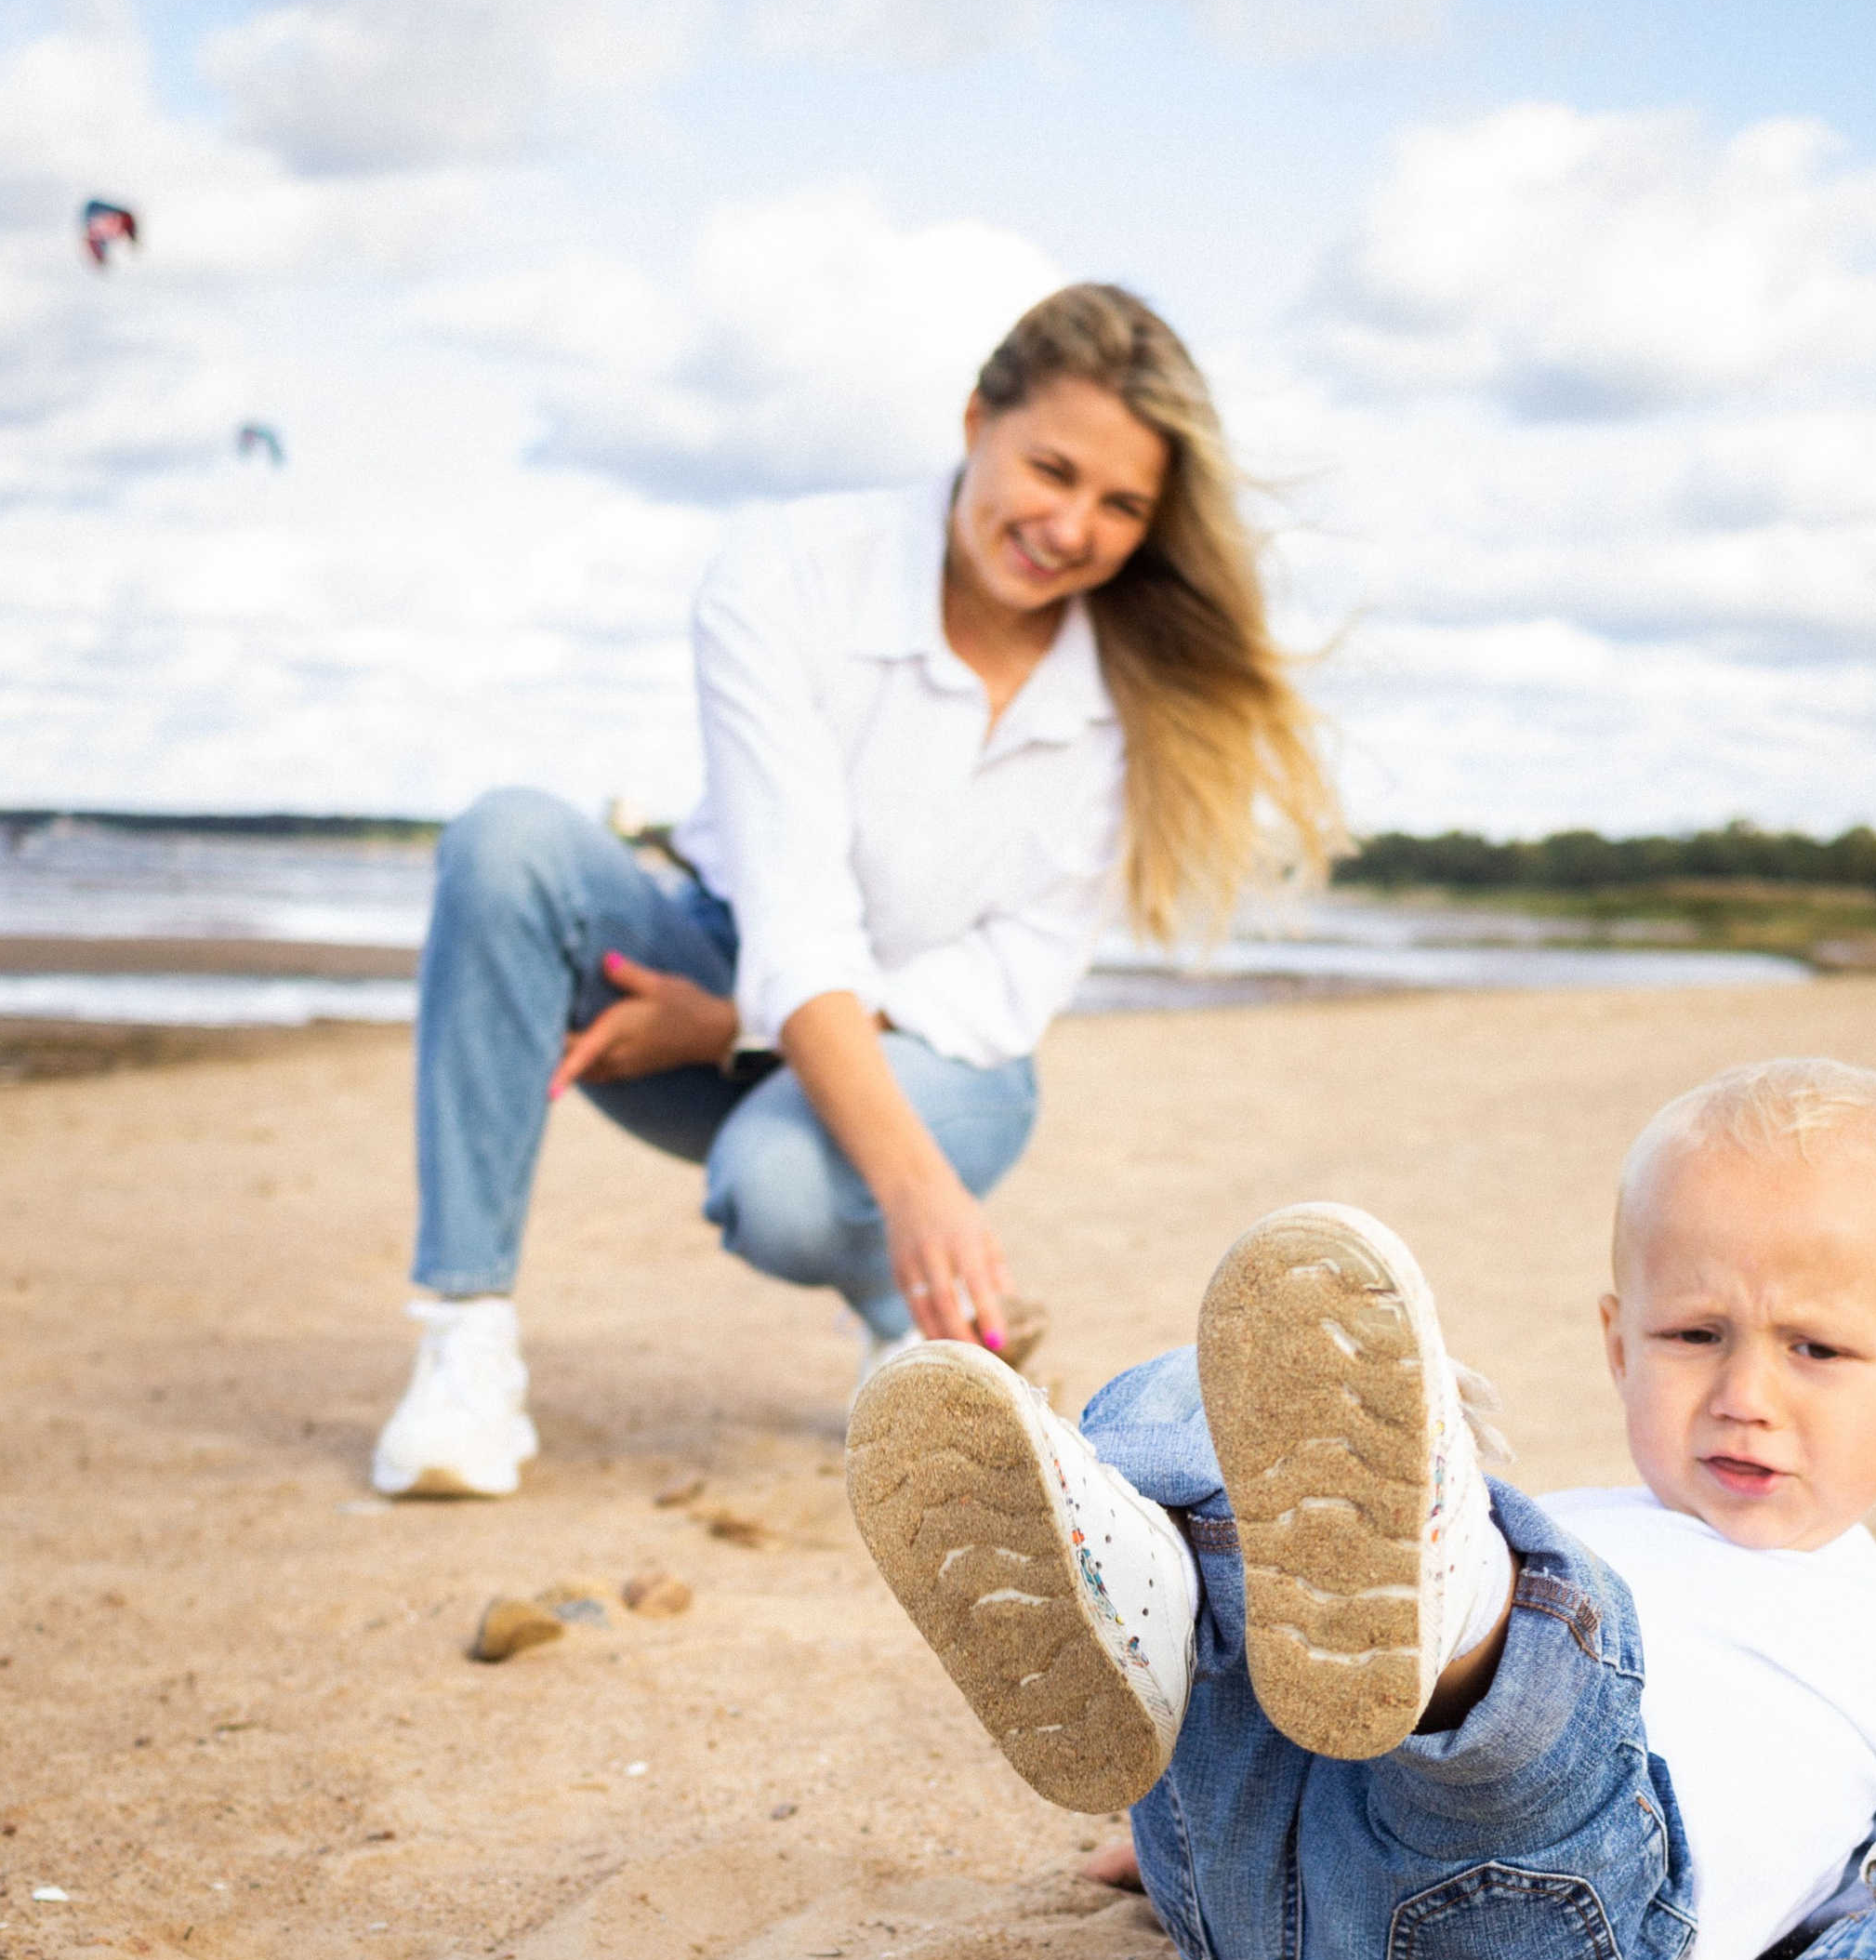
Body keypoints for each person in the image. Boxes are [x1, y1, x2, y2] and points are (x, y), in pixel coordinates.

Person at [846, 1057, 1876, 1960]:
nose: (1746, 1395)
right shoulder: (1588, 1517)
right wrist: (1166, 1860)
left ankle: (1434, 1608)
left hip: (1545, 1931)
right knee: (1186, 1393)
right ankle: (1146, 1612)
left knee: (1550, 1644)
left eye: (1817, 1350)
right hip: (1255, 1899)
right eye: (1695, 1334)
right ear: (1616, 1342)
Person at [373, 284, 1338, 1499]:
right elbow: (793, 919)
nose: (1071, 525)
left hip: (947, 1055)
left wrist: (737, 1037)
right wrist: (743, 1014)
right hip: (715, 958)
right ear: (976, 416)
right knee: (506, 839)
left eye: (1123, 505)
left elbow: (1006, 983)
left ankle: (896, 1301)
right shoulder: (789, 573)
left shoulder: (1133, 698)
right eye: (1050, 468)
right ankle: (465, 1347)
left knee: (775, 1192)